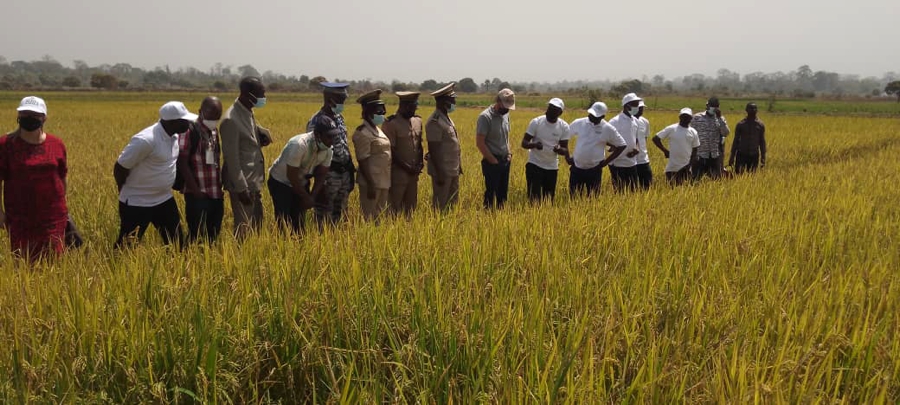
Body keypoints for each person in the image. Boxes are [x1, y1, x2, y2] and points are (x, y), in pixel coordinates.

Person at [113, 101, 193, 248]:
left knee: (177, 244)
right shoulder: (146, 140)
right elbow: (120, 166)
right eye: (184, 121)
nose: (188, 124)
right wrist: (123, 189)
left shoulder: (174, 136)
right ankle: (116, 269)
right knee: (127, 246)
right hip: (137, 202)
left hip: (164, 199)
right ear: (172, 122)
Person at [0, 96, 69, 262]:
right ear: (18, 116)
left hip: (52, 216)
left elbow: (62, 177)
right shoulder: (5, 145)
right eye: (25, 114)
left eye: (34, 115)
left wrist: (62, 206)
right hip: (20, 216)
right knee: (23, 261)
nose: (29, 118)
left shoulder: (56, 144)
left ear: (44, 118)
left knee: (54, 260)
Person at [220, 76, 272, 240]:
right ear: (247, 94)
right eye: (260, 94)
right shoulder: (231, 120)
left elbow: (247, 136)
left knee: (257, 227)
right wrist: (242, 189)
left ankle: (253, 256)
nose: (263, 98)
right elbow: (232, 159)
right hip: (242, 185)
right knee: (244, 229)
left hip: (254, 181)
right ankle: (240, 261)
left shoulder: (247, 111)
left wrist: (260, 135)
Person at [267, 116, 338, 233]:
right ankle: (282, 245)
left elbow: (321, 174)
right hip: (281, 182)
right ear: (317, 134)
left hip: (301, 181)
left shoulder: (328, 149)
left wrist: (312, 197)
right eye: (329, 136)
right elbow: (292, 176)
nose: (332, 140)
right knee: (284, 220)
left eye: (334, 136)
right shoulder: (299, 145)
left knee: (299, 222)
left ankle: (298, 244)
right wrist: (306, 197)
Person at [177, 96, 224, 243]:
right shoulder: (189, 131)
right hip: (197, 194)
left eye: (217, 116)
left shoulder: (214, 131)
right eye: (211, 116)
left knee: (213, 235)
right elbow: (182, 162)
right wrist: (196, 191)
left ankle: (208, 263)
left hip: (215, 193)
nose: (214, 120)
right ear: (200, 112)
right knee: (196, 234)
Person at [307, 82, 354, 227]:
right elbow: (313, 153)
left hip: (343, 173)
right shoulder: (316, 121)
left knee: (340, 213)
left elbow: (344, 145)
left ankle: (336, 245)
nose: (343, 103)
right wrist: (319, 183)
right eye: (341, 100)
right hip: (328, 174)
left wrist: (350, 172)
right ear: (330, 99)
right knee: (324, 213)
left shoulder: (339, 118)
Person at [565, 102, 627, 197]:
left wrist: (606, 162)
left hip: (594, 170)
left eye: (595, 116)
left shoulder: (608, 128)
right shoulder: (579, 122)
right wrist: (567, 157)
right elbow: (565, 137)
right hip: (576, 168)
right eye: (591, 114)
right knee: (574, 197)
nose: (591, 116)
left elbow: (622, 145)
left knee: (593, 199)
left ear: (602, 116)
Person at [382, 91, 424, 217]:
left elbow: (419, 145)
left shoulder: (417, 121)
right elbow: (391, 150)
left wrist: (420, 163)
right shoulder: (391, 123)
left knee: (411, 209)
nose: (413, 111)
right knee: (394, 208)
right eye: (411, 108)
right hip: (398, 174)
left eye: (415, 108)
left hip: (413, 174)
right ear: (404, 106)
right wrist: (407, 167)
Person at [352, 90, 392, 221]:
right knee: (369, 217)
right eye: (378, 111)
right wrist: (370, 184)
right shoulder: (362, 133)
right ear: (368, 112)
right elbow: (362, 160)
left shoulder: (377, 129)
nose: (382, 114)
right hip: (372, 182)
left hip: (383, 180)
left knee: (380, 217)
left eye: (382, 111)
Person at [521, 98, 570, 202]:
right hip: (535, 165)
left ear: (560, 112)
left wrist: (559, 149)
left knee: (548, 199)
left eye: (554, 109)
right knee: (534, 199)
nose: (550, 110)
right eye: (549, 107)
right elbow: (524, 143)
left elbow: (565, 149)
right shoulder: (536, 122)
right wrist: (534, 145)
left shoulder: (564, 126)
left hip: (552, 167)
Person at [476, 88, 515, 209]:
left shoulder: (506, 115)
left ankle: (500, 218)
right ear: (498, 101)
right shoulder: (485, 117)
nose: (507, 109)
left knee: (503, 194)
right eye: (505, 106)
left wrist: (509, 154)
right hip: (492, 161)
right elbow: (480, 142)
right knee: (490, 193)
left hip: (505, 160)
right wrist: (493, 161)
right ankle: (487, 218)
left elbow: (506, 137)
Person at [426, 83, 461, 211]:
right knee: (440, 205)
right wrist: (440, 173)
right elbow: (433, 150)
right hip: (443, 171)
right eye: (452, 100)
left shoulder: (448, 119)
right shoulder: (435, 122)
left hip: (453, 168)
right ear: (443, 101)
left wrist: (459, 166)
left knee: (453, 203)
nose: (454, 102)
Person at [652, 108, 700, 186]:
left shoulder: (693, 132)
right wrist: (665, 151)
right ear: (679, 117)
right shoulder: (671, 128)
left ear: (691, 118)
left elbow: (695, 150)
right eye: (683, 116)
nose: (685, 118)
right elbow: (655, 138)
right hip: (673, 168)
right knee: (672, 190)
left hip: (687, 168)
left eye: (687, 116)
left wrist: (689, 165)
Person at [607, 93, 643, 192]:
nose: (637, 107)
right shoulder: (615, 121)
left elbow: (635, 138)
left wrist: (636, 148)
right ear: (627, 105)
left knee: (633, 191)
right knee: (620, 191)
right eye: (635, 104)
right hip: (618, 163)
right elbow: (605, 138)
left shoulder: (635, 121)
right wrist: (613, 146)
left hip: (632, 162)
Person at [691, 96, 729, 180]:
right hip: (700, 155)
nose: (714, 108)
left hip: (714, 156)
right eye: (712, 105)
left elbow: (725, 133)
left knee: (716, 181)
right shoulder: (697, 117)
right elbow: (690, 134)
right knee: (696, 180)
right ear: (707, 106)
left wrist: (719, 119)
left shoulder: (721, 119)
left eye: (716, 106)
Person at [729, 102, 767, 174]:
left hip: (754, 155)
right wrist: (732, 156)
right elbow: (736, 141)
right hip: (741, 154)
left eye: (755, 108)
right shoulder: (741, 124)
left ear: (757, 110)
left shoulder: (760, 125)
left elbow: (762, 141)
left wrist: (763, 156)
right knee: (738, 175)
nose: (753, 109)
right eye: (751, 108)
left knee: (752, 177)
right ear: (746, 110)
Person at [634, 100, 652, 189]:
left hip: (643, 159)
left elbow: (645, 139)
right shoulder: (625, 121)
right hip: (630, 161)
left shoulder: (645, 122)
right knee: (631, 187)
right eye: (639, 108)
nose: (641, 110)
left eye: (642, 108)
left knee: (647, 185)